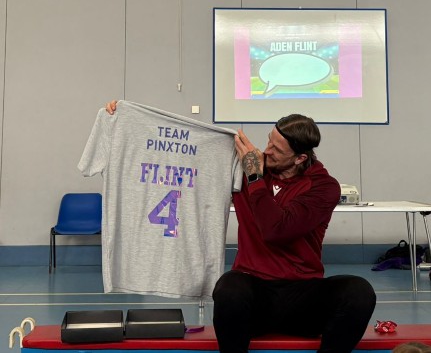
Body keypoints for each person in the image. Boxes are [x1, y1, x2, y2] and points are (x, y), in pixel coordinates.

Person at [105, 101, 376, 353]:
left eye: (277, 149)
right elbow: (181, 153)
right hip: (254, 295)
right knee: (228, 288)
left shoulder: (323, 187)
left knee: (358, 292)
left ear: (299, 158)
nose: (266, 151)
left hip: (303, 295)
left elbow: (277, 230)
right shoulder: (243, 169)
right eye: (269, 141)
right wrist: (125, 119)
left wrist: (255, 177)